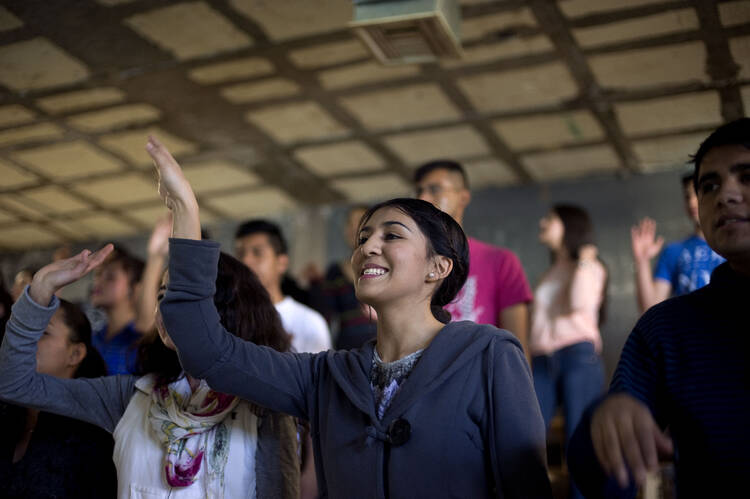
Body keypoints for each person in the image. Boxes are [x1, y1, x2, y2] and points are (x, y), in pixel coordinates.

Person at [148, 136, 552, 498]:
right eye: (363, 238)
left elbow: (527, 486)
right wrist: (187, 210)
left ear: (438, 267)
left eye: (391, 235)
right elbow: (206, 349)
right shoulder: (325, 377)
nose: (367, 248)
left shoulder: (488, 355)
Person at [0, 244, 300, 498]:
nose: (167, 308)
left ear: (227, 308)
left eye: (183, 296)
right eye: (161, 295)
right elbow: (14, 384)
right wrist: (39, 291)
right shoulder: (130, 396)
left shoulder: (265, 405)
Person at [567, 118, 750, 498]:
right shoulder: (667, 328)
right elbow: (602, 472)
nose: (724, 195)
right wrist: (605, 420)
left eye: (747, 176)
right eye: (709, 185)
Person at [0, 299, 116, 498]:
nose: (24, 342)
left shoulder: (92, 438)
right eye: (20, 331)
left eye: (42, 332)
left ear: (75, 354)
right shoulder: (6, 416)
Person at [530, 204, 607, 499]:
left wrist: (585, 261)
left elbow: (579, 303)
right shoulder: (549, 273)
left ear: (569, 226)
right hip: (541, 361)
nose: (543, 222)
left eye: (549, 219)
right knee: (528, 435)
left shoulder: (591, 267)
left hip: (578, 356)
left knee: (579, 439)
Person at [414, 160, 533, 352]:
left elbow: (517, 348)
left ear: (463, 197)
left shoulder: (500, 261)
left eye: (435, 189)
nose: (423, 198)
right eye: (419, 191)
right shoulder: (411, 264)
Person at [234, 219, 331, 355]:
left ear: (282, 263)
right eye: (240, 254)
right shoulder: (228, 318)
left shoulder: (309, 322)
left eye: (257, 253)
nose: (245, 261)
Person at [631, 173, 724, 314]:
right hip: (690, 333)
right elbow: (649, 309)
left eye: (699, 194)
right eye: (687, 196)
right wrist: (642, 261)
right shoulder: (674, 251)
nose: (692, 202)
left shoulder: (736, 246)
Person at [306, 205, 377, 350]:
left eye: (359, 223)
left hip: (382, 345)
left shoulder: (384, 267)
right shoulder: (335, 271)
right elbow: (324, 312)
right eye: (349, 224)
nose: (353, 229)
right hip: (348, 348)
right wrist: (316, 284)